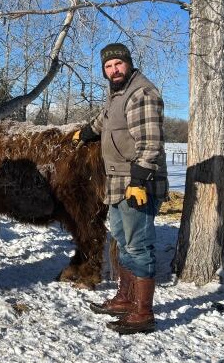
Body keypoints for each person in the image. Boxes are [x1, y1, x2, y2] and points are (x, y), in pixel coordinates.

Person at [72, 42, 168, 334]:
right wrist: (85, 133)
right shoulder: (118, 95)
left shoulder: (142, 93)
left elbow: (150, 143)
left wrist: (139, 181)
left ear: (128, 63)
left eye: (118, 64)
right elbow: (104, 122)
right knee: (123, 243)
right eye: (108, 66)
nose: (114, 70)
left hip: (135, 184)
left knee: (138, 246)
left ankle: (143, 312)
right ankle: (126, 299)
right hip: (116, 182)